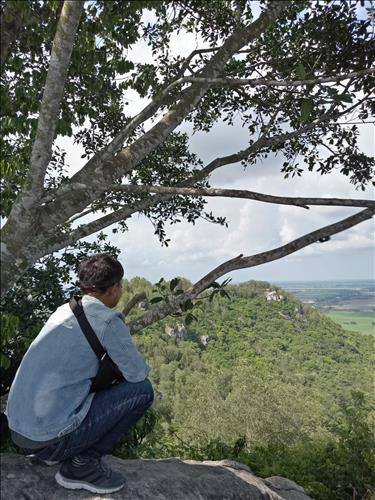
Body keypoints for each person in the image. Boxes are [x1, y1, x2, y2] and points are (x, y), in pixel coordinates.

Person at [5, 254, 154, 494]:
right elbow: (137, 375)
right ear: (114, 289)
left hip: (20, 431)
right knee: (143, 391)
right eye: (121, 286)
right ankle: (81, 465)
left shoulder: (65, 310)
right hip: (48, 439)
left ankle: (57, 451)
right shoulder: (107, 320)